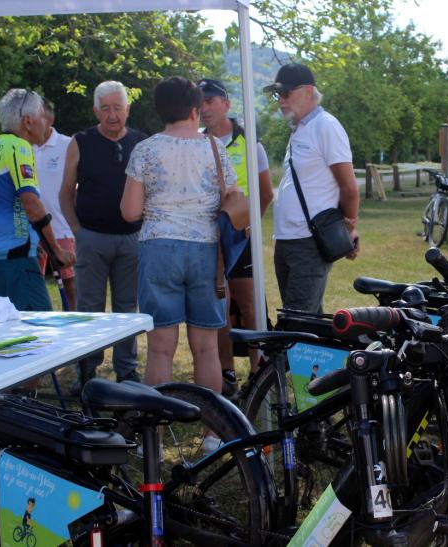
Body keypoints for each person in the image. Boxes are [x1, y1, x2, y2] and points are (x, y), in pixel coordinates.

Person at [122, 76, 235, 450]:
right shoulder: (216, 149)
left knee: (160, 349)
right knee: (206, 348)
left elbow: (130, 211)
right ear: (195, 109)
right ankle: (212, 435)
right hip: (206, 251)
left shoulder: (145, 150)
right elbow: (231, 201)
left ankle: (152, 434)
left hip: (158, 248)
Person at [60, 81, 146, 387]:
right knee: (89, 308)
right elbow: (65, 192)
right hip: (92, 238)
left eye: (118, 108)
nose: (112, 115)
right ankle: (87, 372)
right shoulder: (80, 141)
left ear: (128, 109)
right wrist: (77, 231)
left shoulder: (141, 142)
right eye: (106, 108)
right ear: (96, 110)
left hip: (132, 238)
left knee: (127, 307)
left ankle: (127, 371)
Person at [198, 78, 274, 395]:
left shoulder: (250, 143)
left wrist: (245, 225)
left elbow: (266, 193)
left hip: (241, 240)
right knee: (219, 309)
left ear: (226, 104)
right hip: (207, 240)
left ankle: (259, 373)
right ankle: (227, 373)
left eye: (210, 100)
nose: (204, 108)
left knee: (250, 306)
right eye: (199, 102)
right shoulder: (196, 143)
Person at [264, 63, 360, 314]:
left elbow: (349, 187)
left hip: (308, 242)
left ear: (308, 91)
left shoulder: (326, 126)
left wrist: (349, 228)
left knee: (297, 322)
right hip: (287, 240)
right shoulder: (300, 128)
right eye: (277, 95)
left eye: (285, 93)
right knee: (305, 320)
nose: (280, 100)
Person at [0, 89, 75, 310]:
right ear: (28, 121)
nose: (47, 122)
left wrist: (36, 241)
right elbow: (32, 205)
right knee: (39, 335)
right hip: (14, 258)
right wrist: (56, 250)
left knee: (9, 336)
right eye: (42, 115)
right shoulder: (19, 147)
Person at [34, 99, 76, 309]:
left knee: (70, 282)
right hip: (33, 229)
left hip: (62, 226)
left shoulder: (68, 144)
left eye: (36, 116)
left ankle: (78, 325)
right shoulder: (25, 146)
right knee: (35, 283)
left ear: (49, 119)